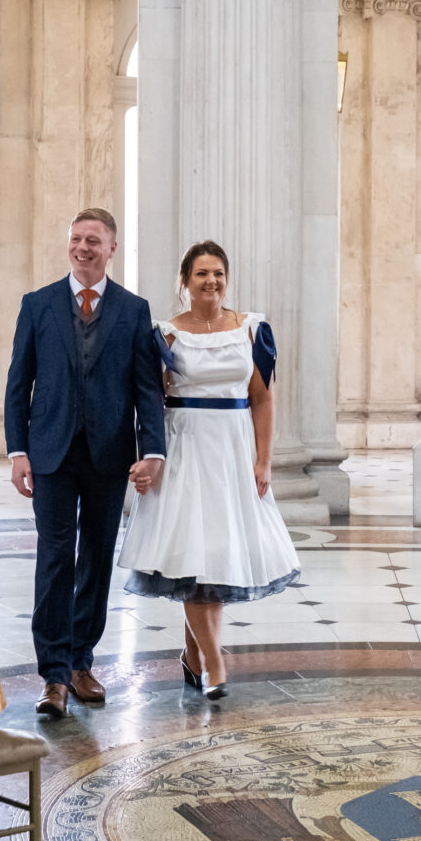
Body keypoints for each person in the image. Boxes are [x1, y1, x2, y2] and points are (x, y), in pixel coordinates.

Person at [117, 241, 300, 700]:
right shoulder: (165, 334)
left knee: (216, 555)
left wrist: (263, 459)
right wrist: (148, 457)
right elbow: (148, 403)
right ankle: (215, 663)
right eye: (201, 274)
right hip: (185, 449)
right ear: (185, 281)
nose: (211, 281)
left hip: (233, 451)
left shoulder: (251, 329)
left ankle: (193, 655)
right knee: (190, 555)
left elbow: (262, 398)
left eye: (218, 273)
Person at [4, 207, 166, 719]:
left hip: (108, 454)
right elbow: (17, 384)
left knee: (95, 556)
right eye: (76, 238)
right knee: (54, 559)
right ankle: (51, 675)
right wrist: (17, 450)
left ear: (111, 248)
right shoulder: (38, 305)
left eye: (93, 240)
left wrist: (153, 451)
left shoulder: (134, 310)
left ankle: (80, 663)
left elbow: (146, 389)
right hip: (50, 451)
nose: (82, 247)